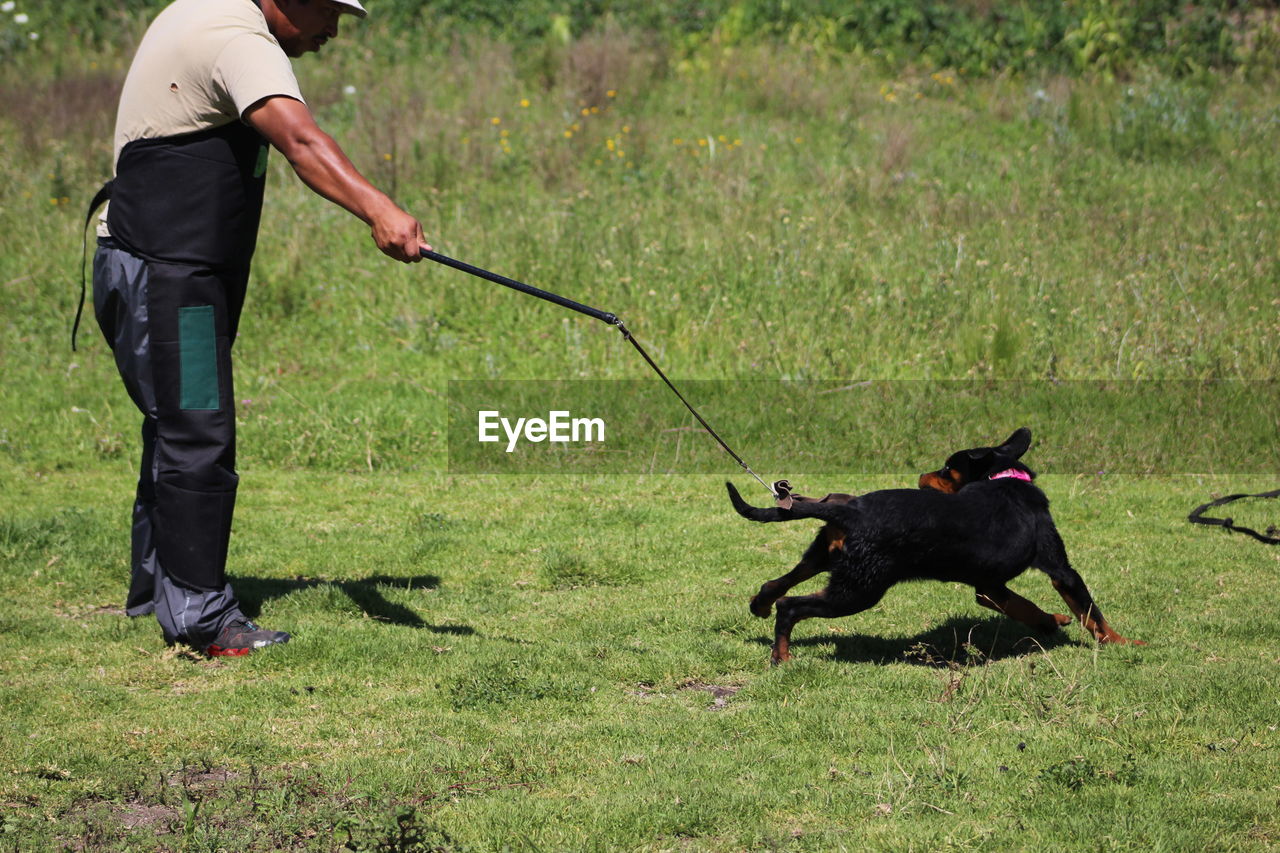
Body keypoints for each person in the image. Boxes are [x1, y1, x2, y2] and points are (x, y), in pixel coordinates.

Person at [87, 0, 431, 656]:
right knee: (197, 430)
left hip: (159, 265)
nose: (331, 33)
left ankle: (155, 587)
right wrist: (380, 209)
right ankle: (202, 619)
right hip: (172, 276)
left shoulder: (208, 11)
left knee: (177, 423)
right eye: (329, 14)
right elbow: (301, 141)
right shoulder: (237, 39)